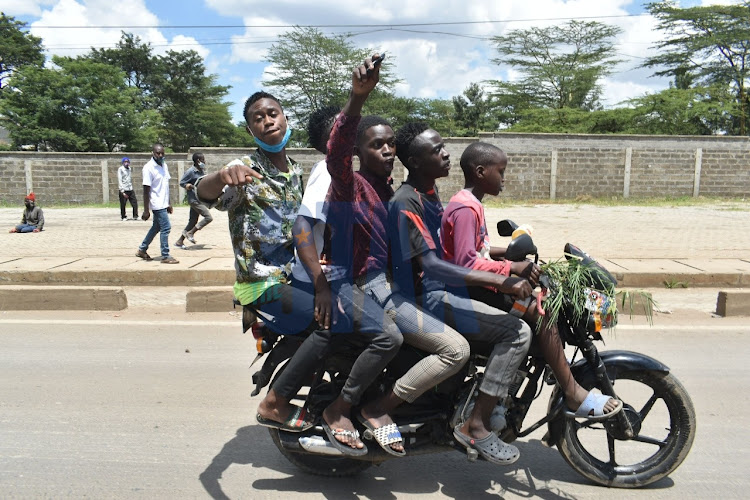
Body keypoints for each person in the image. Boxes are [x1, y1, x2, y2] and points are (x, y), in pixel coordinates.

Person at [195, 89, 402, 457]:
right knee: (333, 321)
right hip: (260, 283)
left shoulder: (294, 172)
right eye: (257, 118)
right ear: (250, 129)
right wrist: (221, 175)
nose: (267, 121)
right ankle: (275, 403)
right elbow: (202, 194)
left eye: (272, 113)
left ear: (285, 118)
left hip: (291, 276)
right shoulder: (245, 169)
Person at [315, 56, 473, 456]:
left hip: (393, 284)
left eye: (391, 144)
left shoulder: (391, 190)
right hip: (365, 285)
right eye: (376, 144)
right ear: (358, 150)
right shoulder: (349, 187)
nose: (387, 150)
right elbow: (336, 156)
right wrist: (357, 98)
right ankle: (356, 408)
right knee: (454, 349)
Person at [441, 142, 622, 420]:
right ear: (480, 171)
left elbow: (479, 250)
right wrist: (511, 267)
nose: (504, 178)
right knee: (543, 313)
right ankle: (572, 391)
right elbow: (465, 263)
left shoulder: (470, 202)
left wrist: (513, 256)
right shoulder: (466, 208)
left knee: (541, 299)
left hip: (477, 284)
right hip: (469, 290)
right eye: (500, 172)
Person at [388, 122, 535, 465]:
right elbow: (434, 266)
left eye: (444, 147)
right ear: (414, 160)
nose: (446, 153)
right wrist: (502, 278)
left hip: (441, 288)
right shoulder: (407, 202)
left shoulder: (429, 195)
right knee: (517, 333)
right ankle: (477, 425)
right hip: (427, 296)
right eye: (436, 149)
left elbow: (454, 254)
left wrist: (505, 260)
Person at [136, 143, 179, 264]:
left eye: (162, 153)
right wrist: (146, 210)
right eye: (157, 153)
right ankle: (165, 255)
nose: (160, 155)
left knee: (157, 227)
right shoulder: (148, 168)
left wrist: (169, 203)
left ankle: (142, 249)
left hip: (163, 202)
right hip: (156, 203)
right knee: (166, 227)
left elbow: (165, 186)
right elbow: (146, 190)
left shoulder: (164, 165)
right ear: (153, 153)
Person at [175, 152, 213, 249]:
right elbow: (182, 182)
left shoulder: (201, 171)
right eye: (203, 159)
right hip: (194, 200)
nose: (204, 161)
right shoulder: (191, 171)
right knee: (208, 217)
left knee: (192, 221)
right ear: (198, 161)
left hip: (199, 199)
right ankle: (191, 232)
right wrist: (190, 186)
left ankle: (180, 241)